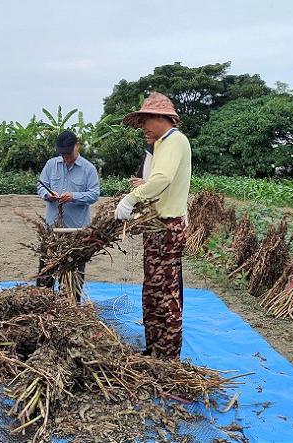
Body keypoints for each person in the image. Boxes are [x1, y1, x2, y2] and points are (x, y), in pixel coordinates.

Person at [115, 92, 191, 360]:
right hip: (157, 227)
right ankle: (154, 349)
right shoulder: (161, 144)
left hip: (168, 229)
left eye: (147, 119)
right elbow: (155, 183)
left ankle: (168, 359)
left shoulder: (174, 141)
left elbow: (161, 180)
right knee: (152, 292)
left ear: (163, 118)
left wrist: (131, 199)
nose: (144, 126)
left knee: (165, 294)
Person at [36, 130, 100, 295]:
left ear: (77, 146)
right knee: (45, 275)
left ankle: (71, 308)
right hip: (52, 230)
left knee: (73, 277)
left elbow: (94, 194)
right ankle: (44, 307)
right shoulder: (51, 165)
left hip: (76, 233)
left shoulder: (88, 169)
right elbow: (41, 185)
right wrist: (48, 195)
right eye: (62, 154)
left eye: (69, 153)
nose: (66, 157)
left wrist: (74, 196)